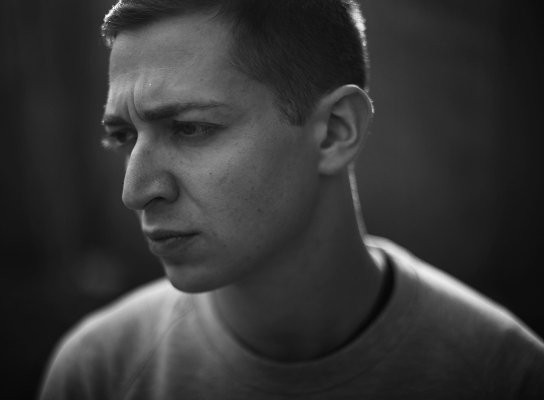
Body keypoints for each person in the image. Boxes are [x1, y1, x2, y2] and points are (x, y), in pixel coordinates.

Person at [39, 0, 544, 398]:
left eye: (190, 128)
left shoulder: (507, 377)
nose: (135, 191)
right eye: (123, 136)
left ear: (336, 131)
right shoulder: (97, 371)